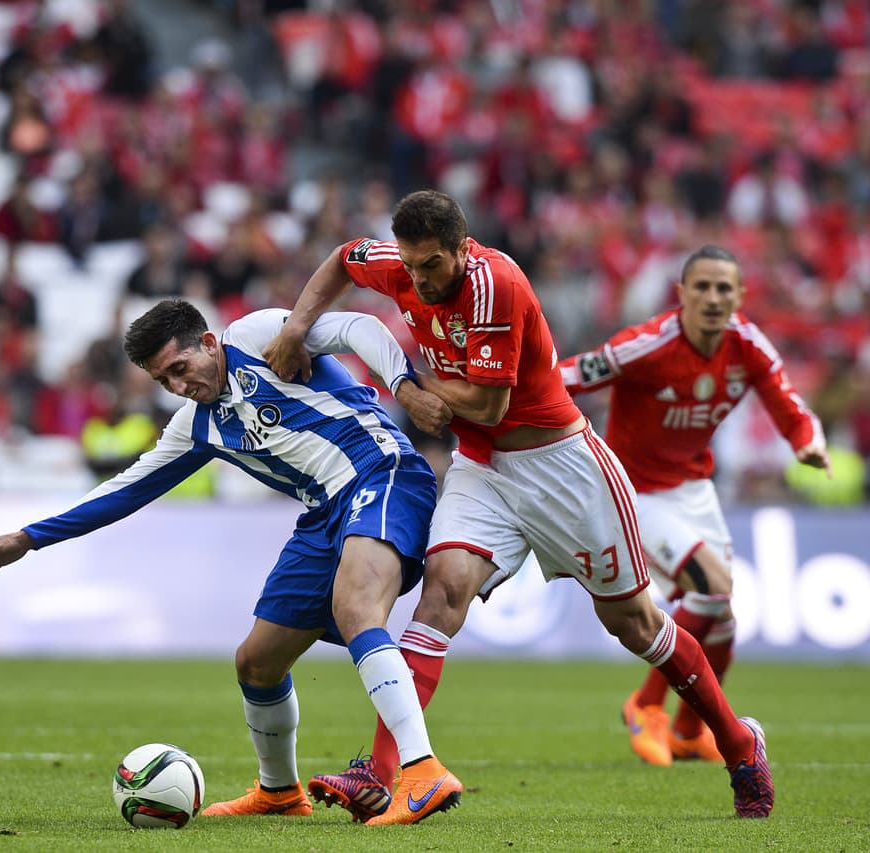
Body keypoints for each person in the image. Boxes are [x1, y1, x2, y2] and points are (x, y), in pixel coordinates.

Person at [264, 190, 774, 822]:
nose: (418, 281)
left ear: (460, 248)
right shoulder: (398, 263)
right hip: (484, 470)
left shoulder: (494, 283)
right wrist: (294, 327)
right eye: (411, 266)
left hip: (563, 468)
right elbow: (343, 259)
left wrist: (405, 387)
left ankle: (738, 743)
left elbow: (489, 405)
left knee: (636, 627)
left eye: (431, 266)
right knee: (440, 597)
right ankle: (383, 773)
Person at [0, 298, 460, 825]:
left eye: (179, 369)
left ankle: (421, 770)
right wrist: (30, 538)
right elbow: (123, 492)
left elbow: (360, 326)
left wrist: (402, 387)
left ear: (209, 343)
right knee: (256, 664)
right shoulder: (195, 427)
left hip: (383, 472)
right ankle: (278, 793)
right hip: (322, 514)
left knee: (357, 611)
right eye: (162, 380)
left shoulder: (258, 335)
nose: (177, 386)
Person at [560, 244, 828, 766]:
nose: (712, 297)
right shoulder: (648, 345)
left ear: (739, 297)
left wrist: (807, 442)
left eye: (723, 288)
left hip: (694, 489)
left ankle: (687, 731)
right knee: (715, 585)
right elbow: (569, 377)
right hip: (636, 491)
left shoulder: (746, 345)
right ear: (681, 294)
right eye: (701, 287)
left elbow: (786, 399)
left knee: (722, 618)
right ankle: (645, 703)